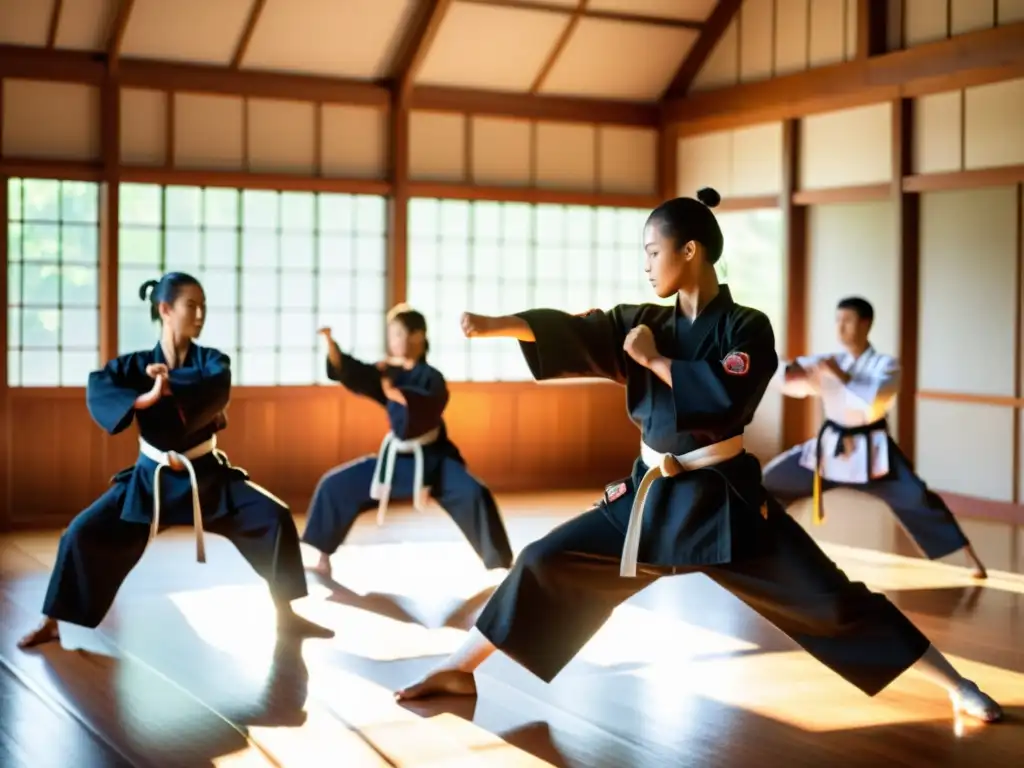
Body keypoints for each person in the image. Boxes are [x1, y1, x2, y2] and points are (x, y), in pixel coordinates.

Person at [393, 189, 1002, 725]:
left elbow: (729, 391)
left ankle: (957, 685)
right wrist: (500, 325)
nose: (646, 265)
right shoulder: (643, 320)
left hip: (726, 505)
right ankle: (459, 667)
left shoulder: (746, 326)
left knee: (830, 600)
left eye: (653, 252)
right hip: (649, 499)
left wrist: (657, 362)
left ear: (690, 251)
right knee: (546, 558)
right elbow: (583, 332)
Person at [18, 272, 331, 650]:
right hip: (151, 481)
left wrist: (167, 386)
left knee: (274, 517)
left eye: (203, 305)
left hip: (208, 478)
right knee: (82, 532)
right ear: (165, 309)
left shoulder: (212, 361)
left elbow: (216, 385)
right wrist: (144, 399)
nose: (199, 313)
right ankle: (52, 620)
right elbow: (100, 384)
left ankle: (286, 614)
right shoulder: (136, 366)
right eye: (191, 305)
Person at [763, 296, 988, 579]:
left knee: (917, 497)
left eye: (848, 321)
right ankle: (765, 544)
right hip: (830, 447)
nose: (840, 327)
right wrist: (789, 369)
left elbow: (874, 403)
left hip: (872, 451)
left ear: (866, 324)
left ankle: (971, 559)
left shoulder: (886, 365)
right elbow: (790, 381)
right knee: (772, 479)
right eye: (838, 320)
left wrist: (841, 376)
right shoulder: (828, 361)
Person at [301, 304, 514, 577]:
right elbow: (349, 370)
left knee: (475, 493)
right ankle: (323, 558)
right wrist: (330, 343)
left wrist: (390, 388)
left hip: (433, 459)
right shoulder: (389, 373)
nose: (394, 341)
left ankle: (503, 566)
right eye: (391, 335)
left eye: (400, 333)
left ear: (418, 336)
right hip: (396, 460)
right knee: (335, 484)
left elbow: (425, 406)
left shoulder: (430, 378)